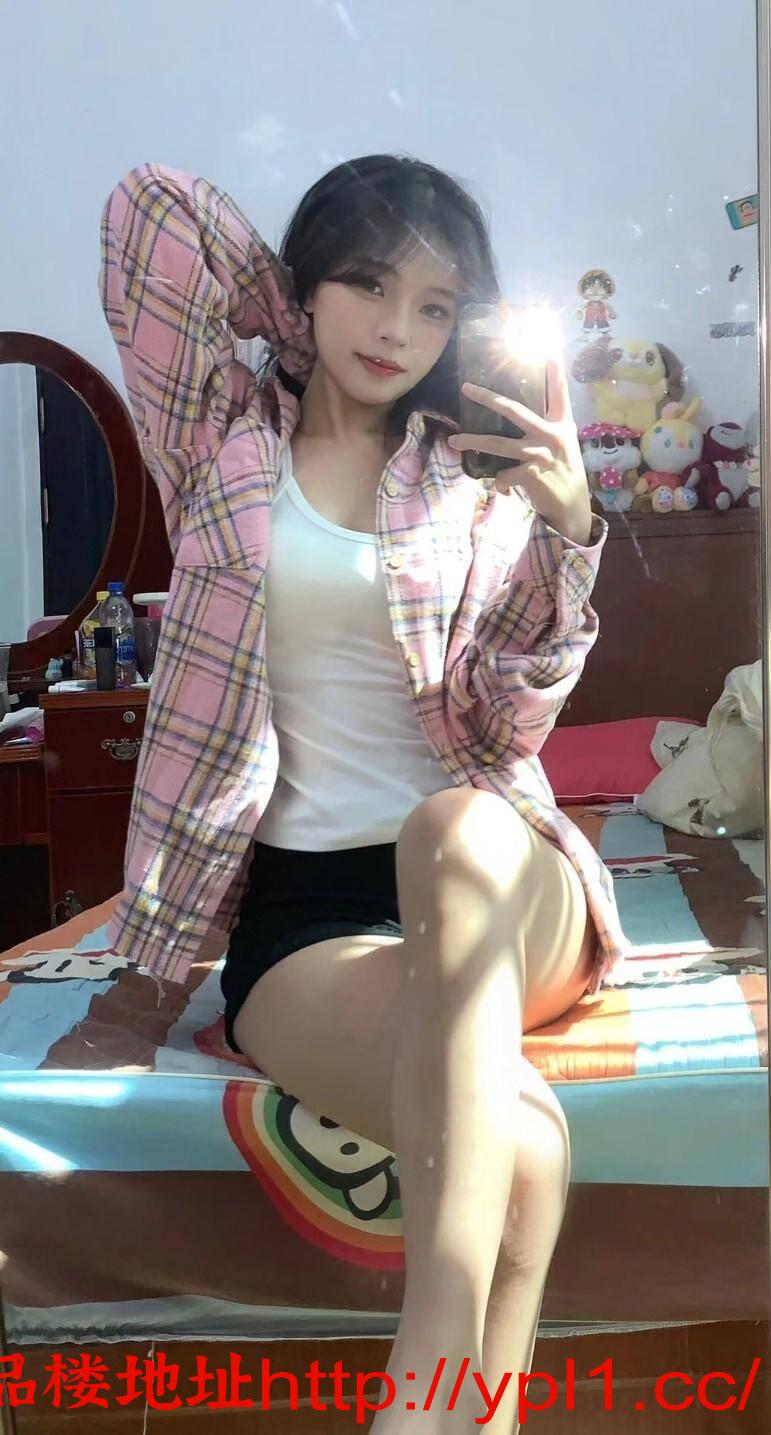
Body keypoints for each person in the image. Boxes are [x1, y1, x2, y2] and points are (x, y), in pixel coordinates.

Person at [100, 155, 629, 1434]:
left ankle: (419, 1376)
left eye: (438, 306)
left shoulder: (472, 475)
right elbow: (151, 208)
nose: (399, 329)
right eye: (369, 284)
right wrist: (290, 322)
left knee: (451, 828)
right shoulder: (221, 439)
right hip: (311, 914)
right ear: (306, 286)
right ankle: (478, 1413)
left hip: (500, 878)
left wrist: (568, 532)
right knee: (519, 1141)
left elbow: (505, 723)